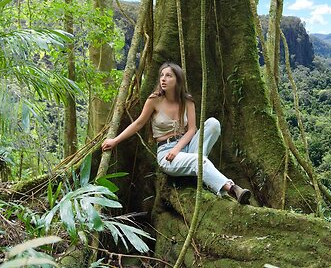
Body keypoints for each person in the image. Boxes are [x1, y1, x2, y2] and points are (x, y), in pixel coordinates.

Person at [101, 62, 251, 204]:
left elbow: (192, 130)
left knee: (213, 124)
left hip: (186, 146)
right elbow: (139, 123)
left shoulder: (187, 101)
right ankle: (232, 188)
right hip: (167, 154)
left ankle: (201, 170)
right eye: (161, 75)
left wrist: (177, 148)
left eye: (168, 76)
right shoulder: (154, 100)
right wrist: (115, 141)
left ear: (178, 79)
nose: (163, 79)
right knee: (198, 161)